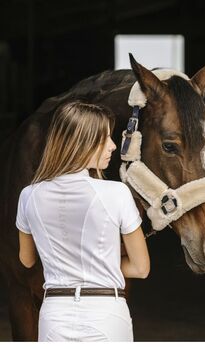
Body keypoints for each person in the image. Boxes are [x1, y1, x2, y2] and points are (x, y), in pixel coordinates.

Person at [16, 100, 150, 342]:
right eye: (104, 139)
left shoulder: (28, 196)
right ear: (81, 143)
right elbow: (141, 268)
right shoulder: (117, 193)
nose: (112, 146)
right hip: (106, 313)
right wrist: (98, 264)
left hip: (54, 314)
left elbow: (26, 260)